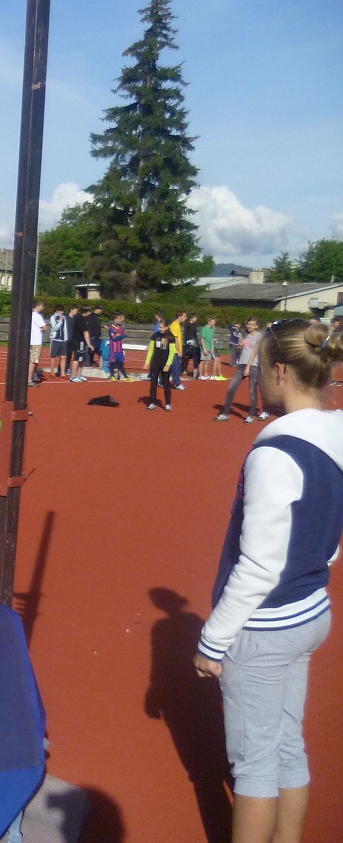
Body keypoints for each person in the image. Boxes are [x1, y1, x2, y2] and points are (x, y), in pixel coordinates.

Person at [194, 318, 343, 843]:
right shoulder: (335, 433)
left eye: (260, 366)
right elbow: (331, 536)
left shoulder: (275, 453)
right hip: (310, 609)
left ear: (280, 370)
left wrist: (213, 640)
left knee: (254, 764)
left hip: (266, 625)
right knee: (287, 744)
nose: (256, 377)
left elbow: (258, 565)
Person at [217, 318, 268, 423]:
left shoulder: (259, 336)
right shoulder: (244, 335)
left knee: (252, 391)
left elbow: (255, 352)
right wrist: (239, 347)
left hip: (253, 366)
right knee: (231, 388)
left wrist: (248, 367)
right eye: (248, 324)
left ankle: (250, 416)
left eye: (252, 325)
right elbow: (239, 351)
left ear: (256, 326)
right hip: (241, 365)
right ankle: (225, 413)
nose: (249, 326)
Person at [146, 318, 176, 411]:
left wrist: (168, 364)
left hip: (165, 363)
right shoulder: (155, 335)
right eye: (160, 327)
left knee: (165, 384)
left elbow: (171, 352)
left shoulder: (171, 337)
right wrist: (147, 362)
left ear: (167, 327)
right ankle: (152, 402)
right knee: (153, 383)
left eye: (162, 327)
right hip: (155, 362)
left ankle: (167, 404)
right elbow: (151, 349)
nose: (161, 329)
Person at [28, 301, 46, 386]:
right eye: (41, 306)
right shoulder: (37, 316)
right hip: (36, 341)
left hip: (30, 340)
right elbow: (44, 327)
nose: (42, 308)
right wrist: (43, 329)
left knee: (30, 360)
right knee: (33, 361)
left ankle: (31, 376)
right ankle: (29, 379)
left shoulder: (29, 315)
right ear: (37, 306)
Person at [107, 313, 129, 381]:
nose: (120, 320)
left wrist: (119, 335)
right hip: (114, 348)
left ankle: (125, 376)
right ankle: (111, 375)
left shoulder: (121, 327)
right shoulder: (111, 328)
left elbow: (125, 335)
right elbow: (114, 338)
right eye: (119, 319)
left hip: (120, 349)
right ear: (115, 319)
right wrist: (120, 335)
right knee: (112, 362)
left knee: (120, 363)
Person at [69, 305, 88, 382]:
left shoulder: (82, 318)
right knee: (77, 358)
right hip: (79, 341)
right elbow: (85, 332)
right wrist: (89, 344)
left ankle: (79, 375)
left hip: (81, 341)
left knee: (81, 359)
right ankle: (73, 376)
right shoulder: (80, 319)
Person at [170, 311, 187, 390]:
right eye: (184, 316)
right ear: (179, 316)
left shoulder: (177, 325)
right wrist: (179, 350)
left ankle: (162, 381)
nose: (185, 318)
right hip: (174, 350)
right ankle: (177, 383)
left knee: (172, 367)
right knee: (175, 367)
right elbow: (175, 339)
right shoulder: (175, 325)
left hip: (175, 350)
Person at [49, 306, 68, 378]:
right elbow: (54, 328)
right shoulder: (53, 317)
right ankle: (52, 372)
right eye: (60, 311)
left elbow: (65, 328)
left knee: (63, 356)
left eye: (62, 311)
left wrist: (65, 338)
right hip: (55, 339)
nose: (61, 312)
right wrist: (60, 321)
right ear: (57, 311)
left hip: (62, 340)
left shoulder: (64, 318)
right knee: (53, 356)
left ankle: (62, 373)